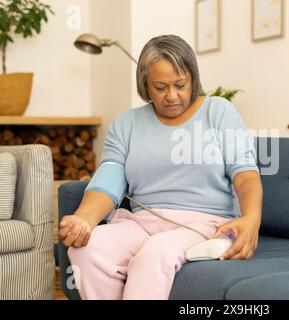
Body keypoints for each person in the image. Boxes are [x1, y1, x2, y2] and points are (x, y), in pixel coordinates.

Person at [59, 34, 263, 300]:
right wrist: (84, 219)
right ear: (145, 84)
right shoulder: (127, 123)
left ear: (193, 78)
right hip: (141, 223)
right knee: (87, 248)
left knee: (154, 254)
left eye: (180, 84)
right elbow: (108, 178)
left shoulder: (218, 112)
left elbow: (245, 174)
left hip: (204, 223)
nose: (172, 96)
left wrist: (251, 219)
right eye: (160, 87)